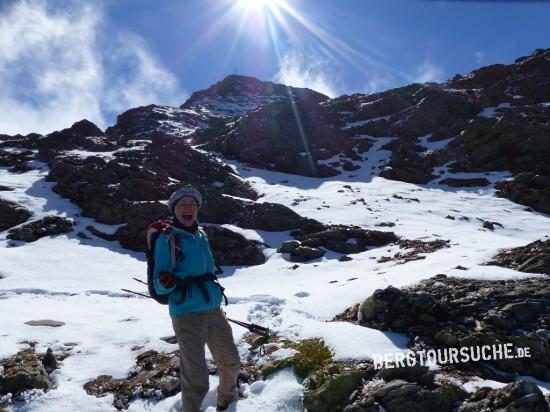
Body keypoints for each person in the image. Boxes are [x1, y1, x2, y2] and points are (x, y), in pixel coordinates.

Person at [152, 186, 241, 412]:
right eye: (183, 204)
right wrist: (166, 281)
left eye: (192, 204)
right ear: (174, 209)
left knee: (231, 362)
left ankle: (226, 403)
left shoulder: (201, 235)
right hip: (187, 313)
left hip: (213, 309)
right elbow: (158, 286)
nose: (188, 208)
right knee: (196, 379)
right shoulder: (168, 238)